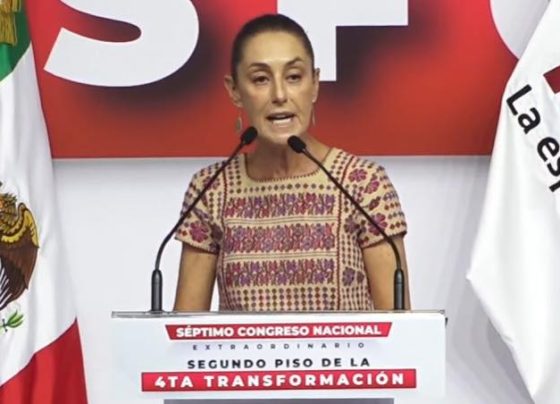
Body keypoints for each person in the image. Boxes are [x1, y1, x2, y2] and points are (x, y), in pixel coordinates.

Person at [173, 14, 410, 312]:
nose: (280, 95)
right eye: (261, 79)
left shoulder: (364, 184)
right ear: (234, 90)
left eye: (294, 77)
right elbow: (185, 329)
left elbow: (401, 328)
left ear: (315, 84)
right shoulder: (211, 189)